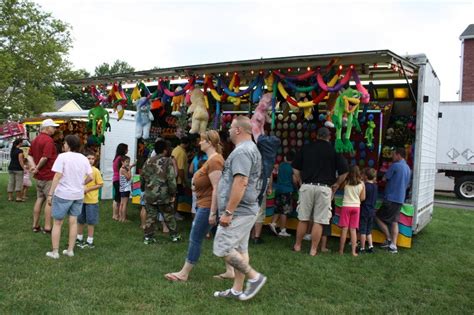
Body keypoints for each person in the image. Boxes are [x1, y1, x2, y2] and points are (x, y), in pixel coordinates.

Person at [213, 116, 266, 301]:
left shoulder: (243, 151)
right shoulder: (250, 149)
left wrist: (228, 212)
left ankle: (254, 278)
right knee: (241, 250)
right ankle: (237, 289)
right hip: (246, 209)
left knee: (222, 246)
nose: (227, 130)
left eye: (230, 127)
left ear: (238, 130)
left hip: (239, 211)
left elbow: (241, 181)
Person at [165, 130, 224, 282]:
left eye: (202, 140)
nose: (199, 143)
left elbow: (217, 188)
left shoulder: (215, 160)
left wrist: (212, 212)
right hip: (204, 203)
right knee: (223, 238)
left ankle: (184, 273)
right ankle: (232, 270)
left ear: (210, 142)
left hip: (207, 206)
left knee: (195, 238)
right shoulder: (211, 159)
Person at [292, 127, 349, 256]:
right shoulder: (334, 149)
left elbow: (295, 168)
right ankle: (313, 249)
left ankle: (298, 245)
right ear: (329, 137)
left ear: (316, 135)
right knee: (319, 220)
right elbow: (344, 171)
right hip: (324, 188)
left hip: (307, 186)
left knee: (303, 218)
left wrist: (300, 180)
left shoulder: (306, 148)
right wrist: (337, 184)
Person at [46, 135, 93, 259]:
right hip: (78, 195)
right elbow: (91, 177)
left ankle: (55, 252)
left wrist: (50, 194)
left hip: (63, 194)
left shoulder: (62, 157)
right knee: (73, 223)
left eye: (65, 143)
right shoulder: (83, 158)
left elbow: (57, 176)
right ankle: (70, 250)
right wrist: (82, 184)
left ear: (69, 144)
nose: (64, 145)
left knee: (57, 223)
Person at [141, 139, 181, 243]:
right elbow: (171, 178)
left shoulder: (148, 160)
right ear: (165, 150)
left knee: (151, 216)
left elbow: (143, 176)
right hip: (164, 194)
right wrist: (173, 193)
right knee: (168, 215)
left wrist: (143, 189)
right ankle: (175, 236)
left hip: (149, 193)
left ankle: (148, 237)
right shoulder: (168, 161)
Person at [375, 147, 411, 254]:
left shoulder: (395, 166)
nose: (392, 156)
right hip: (400, 199)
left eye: (394, 154)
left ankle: (389, 238)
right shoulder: (408, 168)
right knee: (394, 221)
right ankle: (393, 245)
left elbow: (385, 178)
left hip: (390, 198)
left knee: (377, 217)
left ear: (399, 155)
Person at [28, 119, 59, 233]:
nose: (55, 129)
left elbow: (29, 156)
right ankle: (47, 227)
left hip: (39, 176)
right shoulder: (48, 140)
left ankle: (35, 225)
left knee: (40, 198)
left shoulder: (35, 139)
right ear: (47, 128)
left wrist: (34, 167)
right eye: (53, 127)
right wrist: (36, 168)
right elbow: (45, 157)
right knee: (49, 200)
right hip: (49, 175)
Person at [76, 151, 104, 249]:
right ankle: (79, 238)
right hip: (80, 200)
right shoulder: (80, 170)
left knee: (91, 221)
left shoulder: (95, 171)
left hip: (92, 201)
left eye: (93, 158)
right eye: (89, 158)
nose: (91, 160)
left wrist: (88, 189)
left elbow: (100, 184)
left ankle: (89, 240)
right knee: (80, 220)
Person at [338, 165, 365, 256]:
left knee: (344, 229)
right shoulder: (362, 184)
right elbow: (363, 198)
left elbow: (340, 187)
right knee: (353, 230)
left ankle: (341, 250)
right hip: (356, 207)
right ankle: (353, 252)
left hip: (346, 206)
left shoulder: (346, 182)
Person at [269, 150, 296, 237]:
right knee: (284, 211)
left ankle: (273, 223)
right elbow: (294, 180)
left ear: (285, 158)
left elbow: (274, 167)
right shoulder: (292, 168)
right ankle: (282, 230)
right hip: (287, 190)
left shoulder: (280, 165)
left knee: (278, 208)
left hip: (278, 189)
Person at [359, 168, 378, 254]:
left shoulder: (365, 186)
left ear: (366, 176)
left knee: (363, 230)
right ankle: (371, 246)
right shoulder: (375, 186)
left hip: (364, 210)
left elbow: (362, 197)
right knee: (369, 230)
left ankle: (362, 248)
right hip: (372, 211)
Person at [112, 143, 128, 221]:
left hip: (115, 179)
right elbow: (122, 169)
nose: (127, 150)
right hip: (118, 180)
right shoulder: (120, 159)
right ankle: (116, 215)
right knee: (118, 198)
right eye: (126, 149)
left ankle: (116, 214)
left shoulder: (116, 158)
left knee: (116, 197)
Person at [119, 156, 132, 222]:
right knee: (124, 204)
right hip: (126, 189)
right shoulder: (124, 170)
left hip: (122, 188)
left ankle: (121, 218)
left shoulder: (122, 169)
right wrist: (130, 169)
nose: (128, 163)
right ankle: (123, 218)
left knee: (122, 203)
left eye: (128, 162)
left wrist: (130, 167)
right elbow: (129, 177)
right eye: (126, 162)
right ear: (122, 162)